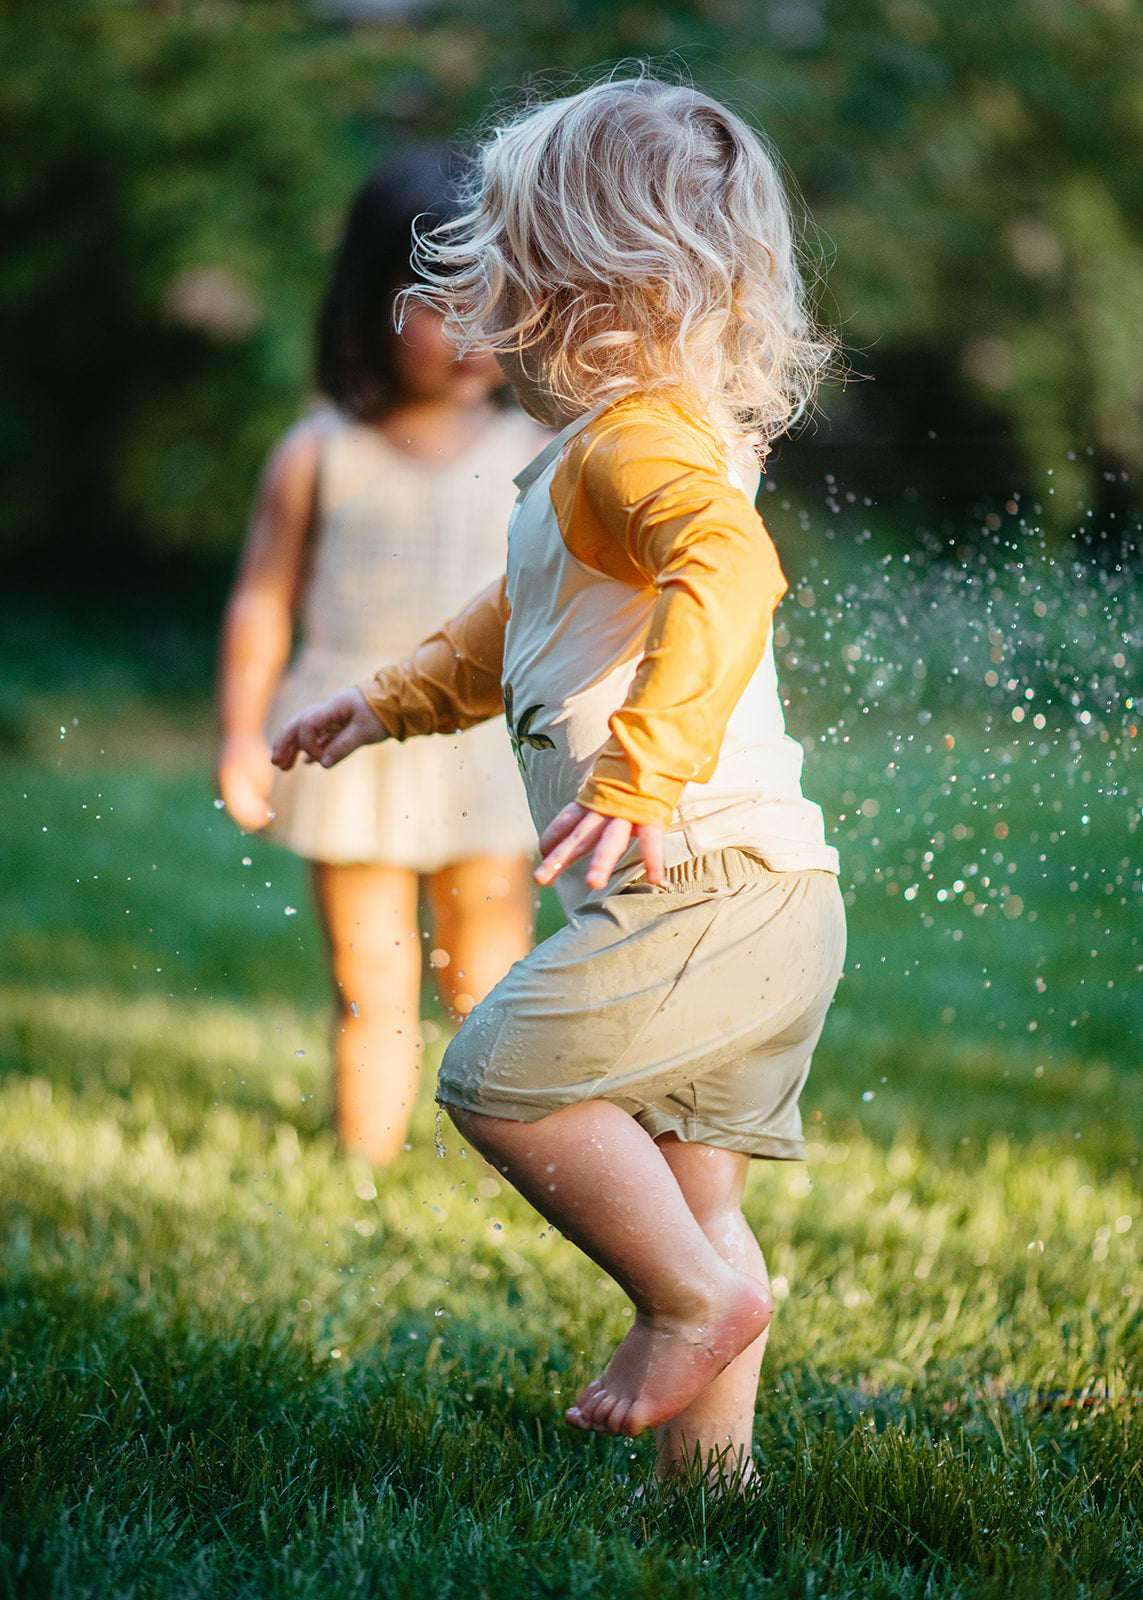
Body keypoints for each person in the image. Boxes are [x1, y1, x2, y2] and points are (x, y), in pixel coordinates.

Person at [271, 76, 846, 1486]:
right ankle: (706, 1489)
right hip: (761, 895)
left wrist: (642, 774)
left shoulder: (637, 438)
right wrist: (387, 699)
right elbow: (507, 624)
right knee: (694, 1197)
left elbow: (734, 572)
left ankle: (691, 1307)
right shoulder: (601, 453)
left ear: (580, 285)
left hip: (695, 882)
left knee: (492, 1078)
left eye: (508, 255)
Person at [216, 150, 542, 1166]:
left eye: (491, 301)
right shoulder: (321, 453)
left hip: (482, 741)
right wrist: (239, 729)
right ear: (371, 303)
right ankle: (369, 1162)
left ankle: (511, 1168)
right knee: (372, 973)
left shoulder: (540, 447)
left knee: (489, 975)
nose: (469, 333)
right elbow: (263, 598)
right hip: (348, 738)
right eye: (439, 304)